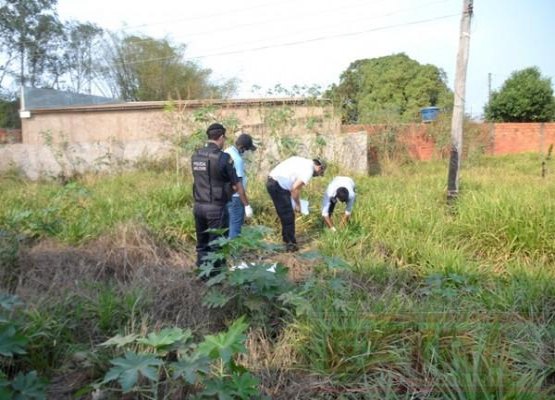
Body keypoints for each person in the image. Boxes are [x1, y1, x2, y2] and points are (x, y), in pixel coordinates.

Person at [192, 123, 250, 275]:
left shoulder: (196, 155)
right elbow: (237, 185)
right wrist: (246, 205)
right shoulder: (224, 158)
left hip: (198, 207)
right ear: (221, 137)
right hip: (216, 209)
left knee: (202, 245)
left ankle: (203, 274)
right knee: (217, 245)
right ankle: (217, 278)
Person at [266, 157, 325, 251]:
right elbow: (295, 188)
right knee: (288, 216)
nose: (317, 175)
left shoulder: (300, 160)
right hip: (278, 185)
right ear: (319, 167)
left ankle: (286, 240)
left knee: (284, 214)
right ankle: (290, 244)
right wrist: (298, 205)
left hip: (271, 181)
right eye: (319, 173)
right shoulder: (309, 170)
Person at [224, 133, 257, 238]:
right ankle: (233, 253)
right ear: (242, 147)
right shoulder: (237, 160)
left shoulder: (227, 151)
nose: (246, 152)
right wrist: (247, 205)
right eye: (246, 149)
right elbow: (238, 185)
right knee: (235, 227)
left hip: (225, 196)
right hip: (236, 199)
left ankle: (226, 251)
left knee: (227, 226)